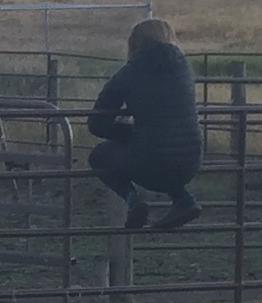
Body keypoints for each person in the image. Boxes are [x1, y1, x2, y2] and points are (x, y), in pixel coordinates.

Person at [87, 15, 203, 231]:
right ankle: (184, 199)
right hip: (191, 161)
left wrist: (129, 132)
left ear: (134, 44)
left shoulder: (130, 72)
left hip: (150, 162)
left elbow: (97, 123)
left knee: (99, 156)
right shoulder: (184, 68)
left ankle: (134, 201)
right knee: (165, 148)